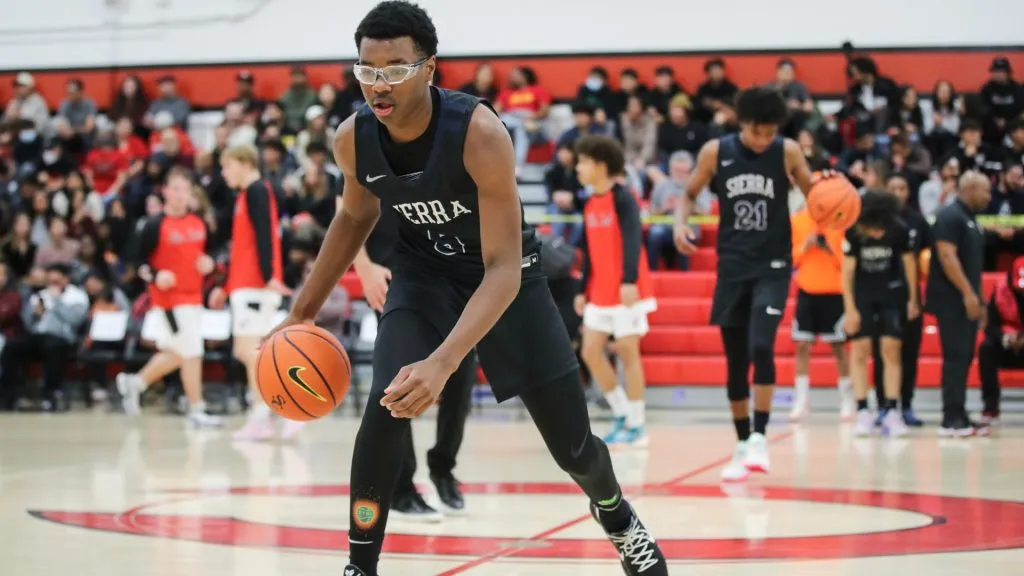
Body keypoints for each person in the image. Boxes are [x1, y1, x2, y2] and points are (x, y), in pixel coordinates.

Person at [266, 3, 667, 575]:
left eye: (396, 68)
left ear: (431, 68)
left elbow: (502, 267)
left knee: (572, 447)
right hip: (423, 278)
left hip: (509, 284)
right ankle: (360, 566)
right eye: (367, 68)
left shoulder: (478, 133)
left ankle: (618, 517)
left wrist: (445, 361)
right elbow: (354, 219)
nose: (379, 83)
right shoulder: (353, 138)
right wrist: (298, 314)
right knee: (385, 405)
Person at [673, 86, 823, 482]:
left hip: (773, 264)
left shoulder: (787, 151)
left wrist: (832, 192)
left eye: (771, 132)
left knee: (761, 344)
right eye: (758, 132)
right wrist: (679, 223)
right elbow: (687, 195)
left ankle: (759, 435)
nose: (764, 139)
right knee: (736, 360)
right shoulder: (715, 152)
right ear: (743, 124)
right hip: (732, 266)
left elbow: (816, 197)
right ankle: (742, 444)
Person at [340, 189, 477, 521]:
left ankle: (443, 468)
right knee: (397, 381)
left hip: (447, 276)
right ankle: (401, 488)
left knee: (460, 378)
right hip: (393, 280)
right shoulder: (369, 146)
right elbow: (347, 214)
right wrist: (364, 268)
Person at [117, 167, 221, 427]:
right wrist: (154, 275)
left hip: (195, 297)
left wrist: (208, 264)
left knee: (178, 353)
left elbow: (206, 255)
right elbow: (136, 262)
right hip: (169, 301)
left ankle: (135, 383)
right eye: (174, 188)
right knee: (192, 351)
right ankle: (197, 408)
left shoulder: (198, 223)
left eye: (184, 189)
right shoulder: (154, 225)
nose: (179, 194)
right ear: (165, 192)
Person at [573, 135, 656, 448]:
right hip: (600, 291)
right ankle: (621, 413)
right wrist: (582, 288)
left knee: (627, 352)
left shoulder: (623, 198)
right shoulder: (590, 201)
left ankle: (638, 423)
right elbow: (589, 250)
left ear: (601, 165)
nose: (578, 167)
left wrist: (630, 280)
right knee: (590, 350)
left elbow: (634, 239)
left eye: (583, 161)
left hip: (626, 289)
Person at [209, 144, 294, 441]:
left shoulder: (257, 190)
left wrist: (270, 275)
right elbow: (244, 247)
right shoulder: (246, 194)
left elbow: (265, 235)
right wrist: (226, 286)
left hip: (256, 285)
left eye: (227, 166)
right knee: (255, 352)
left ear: (244, 162)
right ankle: (282, 413)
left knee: (249, 351)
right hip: (245, 284)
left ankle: (268, 414)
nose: (224, 173)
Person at [841, 191, 918, 437]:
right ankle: (863, 410)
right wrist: (850, 308)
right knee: (860, 351)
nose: (875, 233)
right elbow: (847, 273)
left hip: (891, 294)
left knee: (891, 351)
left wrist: (913, 299)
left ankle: (891, 410)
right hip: (863, 296)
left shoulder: (899, 230)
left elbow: (909, 265)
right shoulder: (853, 232)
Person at [927, 171, 992, 437]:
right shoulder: (949, 215)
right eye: (986, 191)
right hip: (951, 300)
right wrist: (967, 294)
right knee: (955, 356)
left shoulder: (970, 218)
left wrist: (980, 298)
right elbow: (947, 256)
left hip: (967, 298)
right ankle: (950, 418)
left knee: (965, 355)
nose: (989, 197)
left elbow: (972, 264)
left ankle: (960, 412)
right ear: (970, 188)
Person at [872, 174, 930, 427]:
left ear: (909, 191)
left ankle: (906, 404)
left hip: (909, 295)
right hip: (879, 294)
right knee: (881, 352)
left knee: (909, 352)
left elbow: (926, 257)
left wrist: (915, 299)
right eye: (893, 187)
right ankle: (883, 405)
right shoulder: (876, 221)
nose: (898, 191)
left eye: (902, 187)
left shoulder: (918, 221)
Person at [788, 206, 851, 421]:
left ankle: (846, 399)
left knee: (839, 347)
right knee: (802, 345)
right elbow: (791, 258)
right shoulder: (797, 221)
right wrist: (806, 246)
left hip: (834, 291)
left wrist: (830, 250)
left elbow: (846, 261)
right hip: (807, 290)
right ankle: (801, 400)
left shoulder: (840, 221)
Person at [977, 256, 1024, 426]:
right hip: (1007, 344)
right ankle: (990, 408)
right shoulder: (1000, 289)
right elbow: (990, 327)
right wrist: (1005, 338)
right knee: (986, 349)